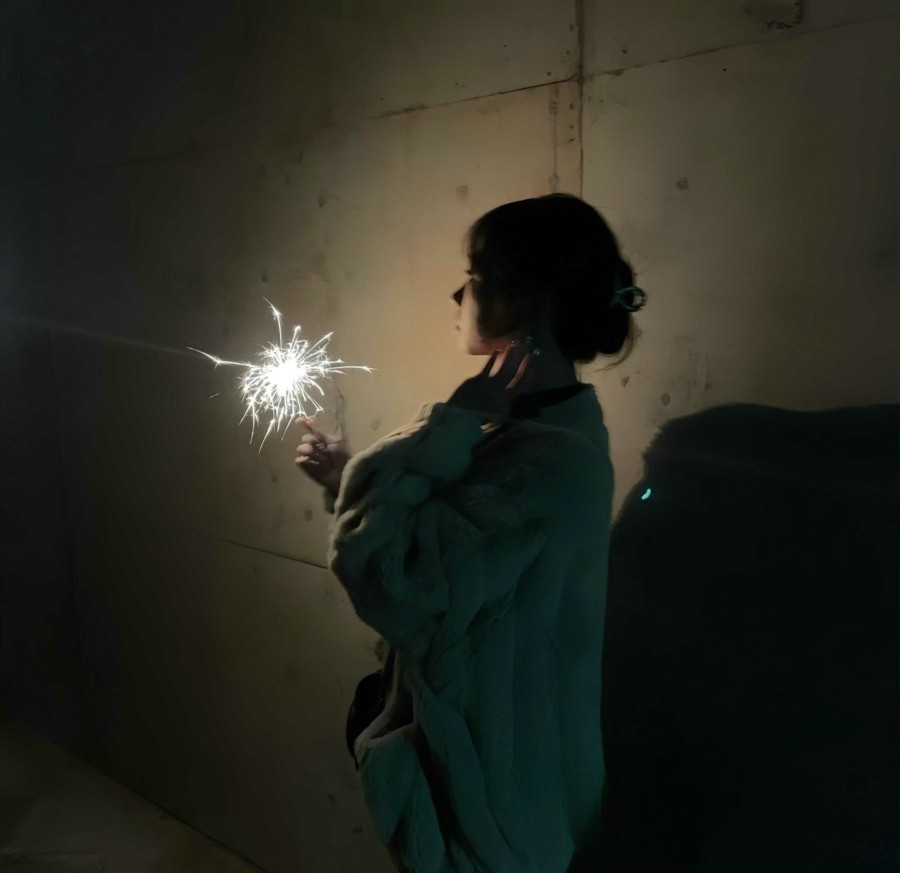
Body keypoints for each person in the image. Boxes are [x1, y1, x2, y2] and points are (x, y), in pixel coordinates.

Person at [294, 193, 647, 872]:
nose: (459, 295)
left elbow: (399, 581)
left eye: (476, 275)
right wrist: (346, 480)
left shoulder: (548, 462)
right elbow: (444, 553)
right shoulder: (532, 437)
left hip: (491, 813)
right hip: (488, 792)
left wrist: (445, 424)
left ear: (527, 301)